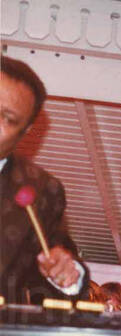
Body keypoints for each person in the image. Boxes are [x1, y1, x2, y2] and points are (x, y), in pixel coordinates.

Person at [0, 57, 87, 303]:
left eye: (7, 118)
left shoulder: (43, 191)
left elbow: (53, 276)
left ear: (25, 130)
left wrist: (64, 275)